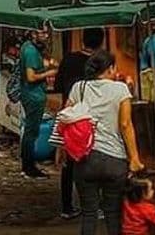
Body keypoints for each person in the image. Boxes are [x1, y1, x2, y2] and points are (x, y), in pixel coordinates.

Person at [68, 49, 144, 235]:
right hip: (114, 159)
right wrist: (134, 158)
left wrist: (62, 151)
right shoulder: (120, 89)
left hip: (85, 159)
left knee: (89, 213)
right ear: (110, 69)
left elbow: (66, 119)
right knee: (113, 213)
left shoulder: (79, 88)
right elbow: (125, 124)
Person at [55, 28, 106, 218]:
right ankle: (96, 206)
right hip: (92, 117)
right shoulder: (100, 63)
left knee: (69, 163)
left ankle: (66, 207)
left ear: (82, 40)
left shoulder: (68, 59)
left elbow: (58, 86)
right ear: (101, 42)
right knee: (93, 160)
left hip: (70, 116)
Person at [19, 27, 57, 179]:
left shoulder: (28, 48)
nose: (46, 36)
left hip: (32, 94)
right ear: (33, 34)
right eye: (42, 33)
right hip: (33, 94)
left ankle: (28, 164)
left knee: (30, 130)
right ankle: (28, 166)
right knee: (31, 131)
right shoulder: (30, 51)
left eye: (47, 33)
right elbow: (31, 76)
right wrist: (50, 73)